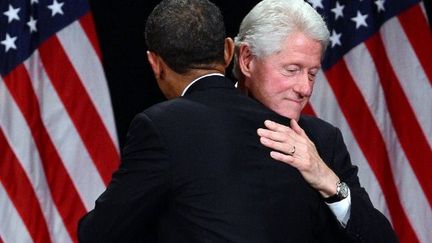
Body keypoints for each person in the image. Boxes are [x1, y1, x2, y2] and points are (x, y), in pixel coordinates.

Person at [78, 0, 303, 242]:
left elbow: (102, 232)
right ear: (229, 51)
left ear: (155, 63)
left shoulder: (159, 126)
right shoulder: (286, 125)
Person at [233, 0, 398, 242]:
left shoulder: (323, 139)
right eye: (292, 70)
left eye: (312, 73)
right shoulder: (198, 125)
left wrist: (325, 178)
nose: (305, 88)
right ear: (247, 60)